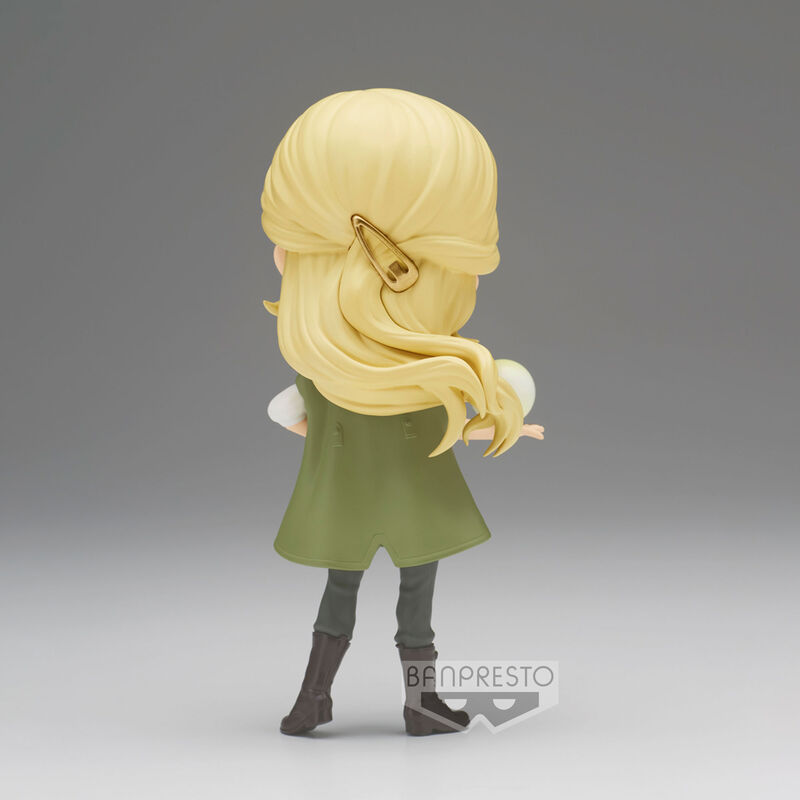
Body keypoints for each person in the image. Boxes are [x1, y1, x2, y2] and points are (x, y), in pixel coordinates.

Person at [260, 88, 544, 736]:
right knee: (415, 604)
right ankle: (419, 706)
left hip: (348, 499)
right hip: (417, 499)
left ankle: (314, 701)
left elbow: (288, 417)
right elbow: (450, 422)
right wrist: (493, 423)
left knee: (341, 595)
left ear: (289, 258)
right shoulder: (429, 378)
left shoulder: (325, 379)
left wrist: (331, 445)